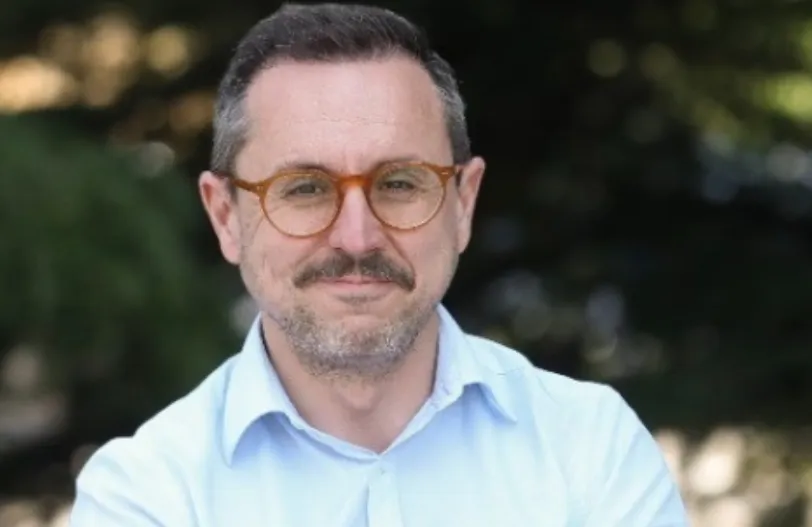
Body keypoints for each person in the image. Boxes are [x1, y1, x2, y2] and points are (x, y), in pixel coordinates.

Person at [70, 3, 689, 526]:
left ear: (463, 203)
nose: (357, 237)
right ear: (226, 216)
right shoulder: (147, 494)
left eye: (398, 183)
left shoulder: (590, 447)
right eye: (304, 188)